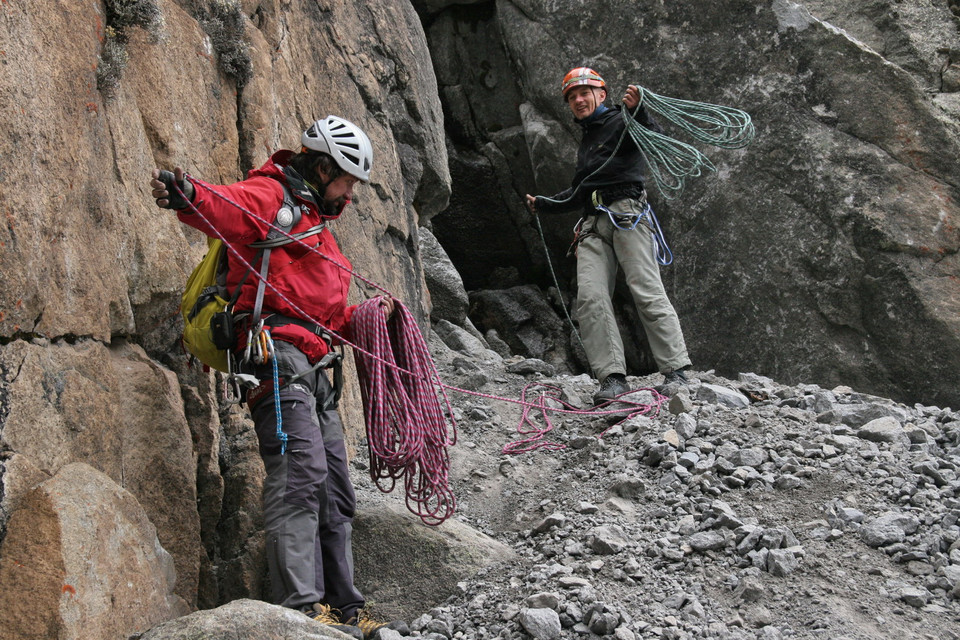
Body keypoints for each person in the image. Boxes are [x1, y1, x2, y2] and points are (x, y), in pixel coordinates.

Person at [150, 116, 395, 640]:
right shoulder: (272, 197)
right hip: (277, 360)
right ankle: (303, 611)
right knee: (299, 477)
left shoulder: (320, 233)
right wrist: (187, 192)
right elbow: (224, 207)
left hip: (317, 367)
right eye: (346, 182)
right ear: (323, 166)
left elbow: (327, 318)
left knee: (334, 488)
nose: (349, 196)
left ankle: (345, 612)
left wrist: (367, 318)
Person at [525, 67, 692, 404]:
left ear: (602, 94)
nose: (578, 100)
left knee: (646, 289)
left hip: (627, 215)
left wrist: (637, 110)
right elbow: (580, 190)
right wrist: (544, 204)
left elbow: (655, 137)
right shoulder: (588, 138)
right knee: (590, 298)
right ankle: (612, 379)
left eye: (584, 93)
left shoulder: (622, 121)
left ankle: (676, 372)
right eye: (572, 97)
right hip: (593, 224)